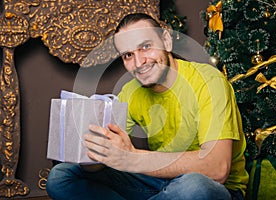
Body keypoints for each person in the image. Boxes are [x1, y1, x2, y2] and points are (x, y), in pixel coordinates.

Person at [46, 13, 249, 200]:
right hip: (158, 183)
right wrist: (92, 151)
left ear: (167, 42)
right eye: (128, 55)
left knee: (194, 186)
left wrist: (132, 157)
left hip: (214, 188)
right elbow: (102, 164)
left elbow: (218, 168)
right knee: (61, 177)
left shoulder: (208, 80)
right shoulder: (130, 91)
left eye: (145, 47)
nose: (139, 62)